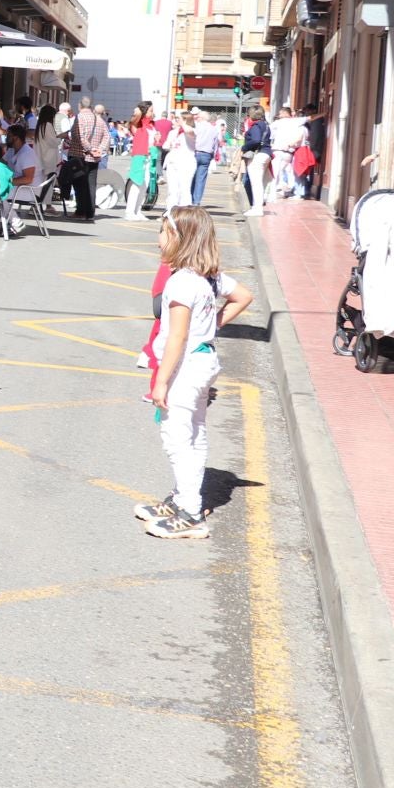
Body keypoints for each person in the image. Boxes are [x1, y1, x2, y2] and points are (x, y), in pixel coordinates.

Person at [136, 207, 254, 540]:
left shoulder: (181, 282)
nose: (158, 240)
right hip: (205, 362)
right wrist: (212, 326)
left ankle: (190, 512)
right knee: (195, 431)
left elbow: (177, 337)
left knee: (176, 437)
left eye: (163, 232)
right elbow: (244, 296)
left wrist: (161, 382)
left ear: (178, 237)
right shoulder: (209, 276)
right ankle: (182, 498)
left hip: (186, 367)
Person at [64, 95, 111, 221]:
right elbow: (107, 136)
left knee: (79, 185)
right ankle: (90, 212)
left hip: (79, 156)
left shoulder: (79, 118)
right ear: (91, 106)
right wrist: (99, 149)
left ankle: (81, 211)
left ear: (79, 105)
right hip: (94, 159)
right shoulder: (99, 119)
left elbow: (78, 136)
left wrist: (90, 149)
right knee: (91, 185)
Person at [123, 102, 157, 221]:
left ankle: (137, 211)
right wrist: (138, 111)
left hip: (150, 157)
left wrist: (156, 140)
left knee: (145, 185)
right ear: (144, 112)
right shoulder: (139, 124)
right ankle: (129, 212)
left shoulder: (152, 125)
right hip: (140, 156)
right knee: (137, 184)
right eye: (150, 110)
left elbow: (152, 141)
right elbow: (133, 122)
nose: (152, 113)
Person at [2, 125, 38, 236]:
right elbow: (0, 163)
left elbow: (28, 178)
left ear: (16, 138)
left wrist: (7, 182)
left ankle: (16, 222)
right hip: (18, 186)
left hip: (30, 189)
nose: (6, 138)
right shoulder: (11, 150)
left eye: (8, 136)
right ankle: (4, 222)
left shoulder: (27, 153)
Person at [269, 106, 309, 199]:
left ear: (284, 113)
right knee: (288, 171)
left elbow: (268, 132)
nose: (279, 115)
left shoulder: (277, 123)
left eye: (280, 113)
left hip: (278, 150)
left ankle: (274, 192)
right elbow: (309, 118)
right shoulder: (297, 122)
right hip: (289, 152)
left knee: (276, 172)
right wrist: (323, 113)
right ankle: (289, 189)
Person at [240, 107, 272, 217]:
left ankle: (257, 208)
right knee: (260, 182)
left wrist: (244, 147)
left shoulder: (256, 126)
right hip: (266, 153)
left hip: (258, 155)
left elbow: (256, 140)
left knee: (256, 183)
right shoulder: (265, 125)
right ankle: (257, 206)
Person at [189, 109, 222, 206]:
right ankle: (196, 201)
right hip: (207, 155)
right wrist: (213, 155)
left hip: (195, 153)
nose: (197, 118)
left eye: (198, 117)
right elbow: (216, 144)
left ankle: (189, 198)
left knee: (191, 177)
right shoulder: (214, 129)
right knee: (201, 179)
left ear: (201, 118)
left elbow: (192, 139)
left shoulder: (197, 127)